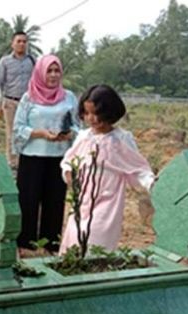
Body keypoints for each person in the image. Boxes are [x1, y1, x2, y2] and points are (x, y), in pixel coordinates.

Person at [59, 84, 155, 253]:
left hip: (107, 200)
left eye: (96, 114)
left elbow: (137, 169)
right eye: (87, 113)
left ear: (109, 113)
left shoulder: (120, 140)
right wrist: (68, 173)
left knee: (95, 239)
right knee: (75, 237)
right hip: (82, 198)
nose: (91, 119)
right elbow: (69, 160)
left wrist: (150, 183)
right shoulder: (84, 137)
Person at [13, 55, 79, 255]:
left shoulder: (69, 97)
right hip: (32, 156)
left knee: (55, 201)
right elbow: (18, 128)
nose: (53, 75)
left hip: (58, 157)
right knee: (28, 200)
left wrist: (69, 134)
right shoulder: (28, 97)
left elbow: (78, 125)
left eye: (57, 70)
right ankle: (26, 244)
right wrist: (40, 133)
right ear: (41, 72)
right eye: (49, 71)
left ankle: (51, 245)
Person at [0, 31, 34, 160]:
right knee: (11, 133)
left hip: (28, 103)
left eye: (24, 41)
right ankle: (12, 163)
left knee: (27, 132)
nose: (22, 44)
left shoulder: (32, 61)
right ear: (12, 44)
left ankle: (25, 160)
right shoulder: (5, 61)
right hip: (10, 102)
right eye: (19, 41)